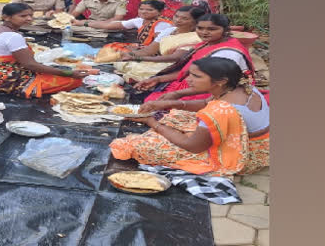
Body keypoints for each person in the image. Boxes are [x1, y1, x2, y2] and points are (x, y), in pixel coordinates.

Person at [109, 56, 269, 176]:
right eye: (190, 74)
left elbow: (193, 146)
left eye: (196, 76)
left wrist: (152, 123)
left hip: (245, 153)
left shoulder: (221, 109)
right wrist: (172, 103)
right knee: (177, 114)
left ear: (221, 81)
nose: (188, 80)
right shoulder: (241, 86)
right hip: (262, 142)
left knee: (137, 146)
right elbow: (206, 103)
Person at [0, 3, 91, 97]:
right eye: (23, 16)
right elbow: (30, 65)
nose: (29, 19)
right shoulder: (13, 36)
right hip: (2, 80)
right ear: (6, 17)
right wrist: (69, 73)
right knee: (74, 80)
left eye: (30, 15)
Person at [134, 14, 256, 104]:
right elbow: (187, 71)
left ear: (225, 30)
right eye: (200, 28)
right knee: (148, 94)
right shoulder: (207, 43)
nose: (204, 32)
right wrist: (158, 79)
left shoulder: (227, 53)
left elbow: (216, 85)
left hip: (214, 91)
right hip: (196, 83)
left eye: (212, 29)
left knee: (154, 103)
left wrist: (177, 94)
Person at [76, 0, 174, 51]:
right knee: (111, 47)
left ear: (160, 12)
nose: (144, 12)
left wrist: (138, 51)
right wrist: (82, 23)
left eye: (149, 10)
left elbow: (160, 45)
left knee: (115, 51)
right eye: (142, 9)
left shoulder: (161, 24)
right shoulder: (140, 20)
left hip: (154, 51)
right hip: (143, 48)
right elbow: (108, 25)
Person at [120, 5, 206, 61]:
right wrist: (128, 54)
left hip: (174, 66)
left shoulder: (196, 37)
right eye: (176, 16)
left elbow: (175, 58)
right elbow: (149, 50)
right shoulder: (169, 31)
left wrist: (137, 57)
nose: (178, 20)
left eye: (184, 18)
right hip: (158, 60)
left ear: (196, 21)